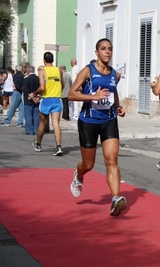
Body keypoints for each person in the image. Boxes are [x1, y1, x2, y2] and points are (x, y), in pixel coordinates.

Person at [67, 38, 127, 216]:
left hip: (108, 120)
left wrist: (117, 106)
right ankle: (79, 175)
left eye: (110, 49)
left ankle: (116, 199)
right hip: (88, 122)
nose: (107, 52)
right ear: (97, 52)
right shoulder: (88, 71)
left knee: (112, 159)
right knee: (88, 164)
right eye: (103, 49)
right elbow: (71, 94)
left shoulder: (115, 74)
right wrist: (93, 97)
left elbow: (113, 92)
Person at [30, 52, 64, 156]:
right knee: (56, 124)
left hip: (46, 100)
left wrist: (34, 93)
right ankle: (58, 147)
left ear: (44, 60)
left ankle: (38, 144)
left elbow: (42, 87)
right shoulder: (59, 70)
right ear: (52, 60)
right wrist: (57, 91)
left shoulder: (42, 71)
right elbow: (62, 84)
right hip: (57, 99)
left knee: (42, 123)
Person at [23, 64, 40, 135]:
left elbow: (25, 89)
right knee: (36, 116)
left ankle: (29, 130)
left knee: (28, 115)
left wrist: (31, 96)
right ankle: (36, 130)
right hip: (37, 99)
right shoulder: (38, 78)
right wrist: (37, 97)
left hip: (28, 99)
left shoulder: (26, 79)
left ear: (28, 70)